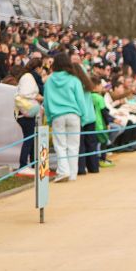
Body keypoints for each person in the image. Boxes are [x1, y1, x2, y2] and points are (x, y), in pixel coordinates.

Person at [43, 52, 93, 183]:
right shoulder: (74, 80)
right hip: (74, 115)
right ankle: (72, 174)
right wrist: (83, 116)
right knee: (74, 146)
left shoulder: (49, 81)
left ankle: (63, 171)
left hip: (57, 116)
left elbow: (46, 102)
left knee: (60, 146)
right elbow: (81, 100)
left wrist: (49, 118)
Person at [14, 58, 45, 175]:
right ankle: (23, 165)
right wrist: (37, 97)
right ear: (38, 68)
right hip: (24, 113)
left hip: (27, 113)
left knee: (31, 139)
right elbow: (25, 93)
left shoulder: (27, 76)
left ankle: (33, 163)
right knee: (29, 138)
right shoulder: (28, 77)